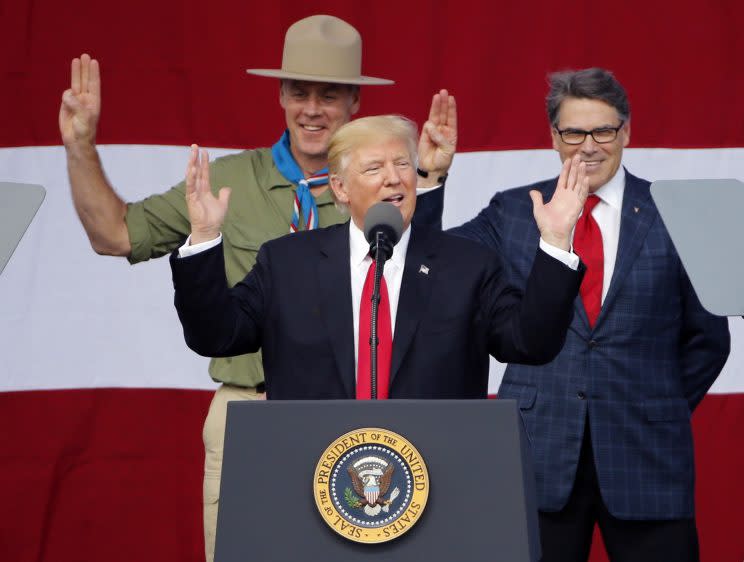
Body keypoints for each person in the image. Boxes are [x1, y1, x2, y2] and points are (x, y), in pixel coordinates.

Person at [57, 15, 456, 562]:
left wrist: (430, 183)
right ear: (281, 95)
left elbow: (423, 283)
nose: (312, 109)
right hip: (249, 410)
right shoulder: (227, 180)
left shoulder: (383, 182)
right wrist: (81, 146)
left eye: (330, 95)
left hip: (360, 419)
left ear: (354, 103)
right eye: (299, 92)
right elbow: (114, 234)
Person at [451, 68, 731, 562]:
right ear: (553, 137)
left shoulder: (677, 211)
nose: (589, 146)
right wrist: (430, 182)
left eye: (603, 130)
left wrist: (654, 403)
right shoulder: (516, 211)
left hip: (647, 454)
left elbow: (709, 340)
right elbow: (439, 263)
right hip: (539, 453)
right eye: (573, 132)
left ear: (626, 132)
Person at [171, 115, 587, 404]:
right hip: (314, 473)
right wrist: (206, 237)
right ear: (340, 188)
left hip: (435, 473)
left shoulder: (468, 267)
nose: (394, 177)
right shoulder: (286, 264)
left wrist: (553, 242)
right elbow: (216, 336)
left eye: (402, 164)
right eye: (374, 168)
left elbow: (530, 343)